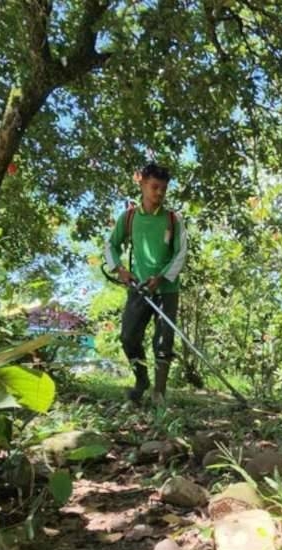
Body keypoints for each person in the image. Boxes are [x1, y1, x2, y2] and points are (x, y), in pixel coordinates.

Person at [107, 162, 187, 405]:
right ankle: (141, 380)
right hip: (139, 288)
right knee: (128, 337)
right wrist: (120, 269)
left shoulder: (173, 219)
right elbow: (111, 244)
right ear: (142, 184)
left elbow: (181, 253)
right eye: (154, 187)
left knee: (163, 343)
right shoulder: (129, 217)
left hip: (167, 289)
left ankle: (159, 394)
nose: (159, 193)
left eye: (163, 188)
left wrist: (161, 277)